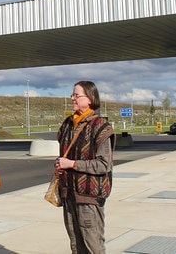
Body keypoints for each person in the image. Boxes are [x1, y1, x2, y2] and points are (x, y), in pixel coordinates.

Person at [55, 81, 115, 253]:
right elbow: (64, 155)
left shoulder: (100, 127)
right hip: (69, 196)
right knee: (76, 246)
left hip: (89, 199)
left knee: (93, 247)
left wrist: (72, 164)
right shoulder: (67, 125)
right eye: (72, 95)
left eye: (76, 95)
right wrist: (59, 164)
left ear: (90, 99)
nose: (72, 98)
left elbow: (104, 164)